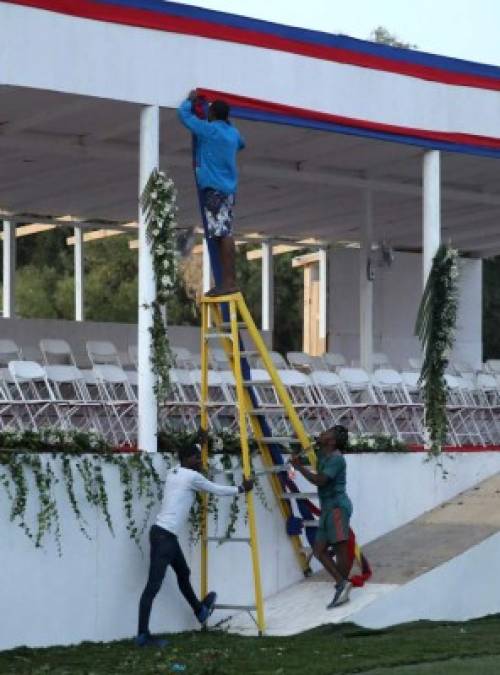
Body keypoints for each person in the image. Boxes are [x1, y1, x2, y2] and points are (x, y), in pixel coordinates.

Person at [136, 443, 254, 647]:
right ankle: (142, 636)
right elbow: (216, 489)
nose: (200, 461)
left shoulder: (174, 472)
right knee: (152, 587)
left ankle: (200, 611)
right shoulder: (192, 477)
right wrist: (243, 488)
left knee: (183, 573)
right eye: (197, 458)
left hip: (164, 536)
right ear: (187, 459)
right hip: (164, 537)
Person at [177, 90, 245, 296]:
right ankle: (228, 281)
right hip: (228, 190)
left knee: (222, 234)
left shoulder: (209, 131)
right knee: (221, 232)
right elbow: (242, 143)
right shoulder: (232, 134)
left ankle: (229, 283)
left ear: (213, 115)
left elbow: (184, 116)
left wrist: (189, 101)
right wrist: (226, 124)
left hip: (214, 190)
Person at [291, 425, 353, 609]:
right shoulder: (322, 452)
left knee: (341, 549)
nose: (321, 433)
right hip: (327, 509)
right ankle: (342, 583)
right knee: (318, 550)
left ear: (332, 441)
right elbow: (307, 447)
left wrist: (300, 468)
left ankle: (342, 587)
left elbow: (320, 480)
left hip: (337, 509)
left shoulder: (337, 459)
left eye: (326, 433)